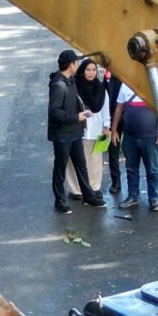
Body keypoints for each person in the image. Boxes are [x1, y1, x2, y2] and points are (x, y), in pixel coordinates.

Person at [48, 49, 100, 212]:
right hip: (62, 135)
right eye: (76, 62)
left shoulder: (70, 81)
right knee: (60, 168)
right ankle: (60, 201)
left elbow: (74, 102)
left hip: (75, 132)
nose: (77, 65)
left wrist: (82, 112)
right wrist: (76, 117)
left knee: (81, 165)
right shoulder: (58, 85)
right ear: (70, 65)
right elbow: (55, 111)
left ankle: (88, 196)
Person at [115, 77, 158, 211]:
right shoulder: (125, 85)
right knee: (131, 168)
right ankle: (133, 196)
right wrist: (114, 130)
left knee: (152, 169)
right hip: (130, 137)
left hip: (150, 138)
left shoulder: (153, 85)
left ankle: (154, 199)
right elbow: (119, 108)